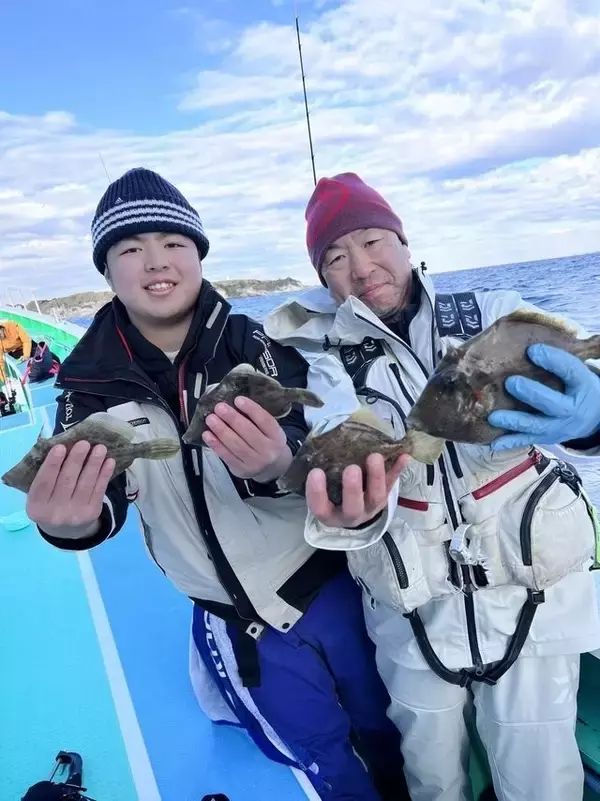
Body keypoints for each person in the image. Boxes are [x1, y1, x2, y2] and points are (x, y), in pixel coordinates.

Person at [24, 168, 408, 801]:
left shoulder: (267, 345)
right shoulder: (85, 383)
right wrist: (73, 525)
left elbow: (333, 467)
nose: (156, 263)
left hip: (330, 588)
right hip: (234, 622)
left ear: (199, 254)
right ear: (107, 270)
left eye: (174, 243)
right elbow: (107, 503)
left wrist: (279, 465)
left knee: (386, 720)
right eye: (129, 249)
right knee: (316, 754)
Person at [263, 171, 600, 801]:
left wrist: (594, 418)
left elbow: (576, 370)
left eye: (371, 241)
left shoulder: (493, 314)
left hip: (529, 598)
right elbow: (330, 445)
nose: (361, 268)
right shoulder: (317, 359)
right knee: (431, 779)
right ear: (322, 276)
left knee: (543, 781)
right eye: (335, 257)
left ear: (402, 239)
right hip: (412, 614)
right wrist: (348, 509)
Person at [0, 320, 33, 384]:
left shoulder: (13, 325)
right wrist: (4, 378)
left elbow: (26, 340)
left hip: (26, 344)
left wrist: (26, 354)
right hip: (15, 351)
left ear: (1, 328)